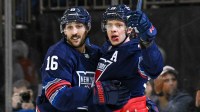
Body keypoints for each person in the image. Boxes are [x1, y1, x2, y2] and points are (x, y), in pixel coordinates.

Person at [36, 7, 130, 112]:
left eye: (79, 26)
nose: (74, 32)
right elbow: (58, 97)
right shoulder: (57, 53)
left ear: (87, 28)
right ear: (64, 30)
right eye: (69, 27)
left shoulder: (96, 53)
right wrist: (97, 94)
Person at [92, 4, 163, 112]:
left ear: (129, 29)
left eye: (119, 25)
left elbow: (154, 69)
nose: (113, 29)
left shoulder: (135, 50)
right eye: (109, 25)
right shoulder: (107, 48)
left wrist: (147, 42)